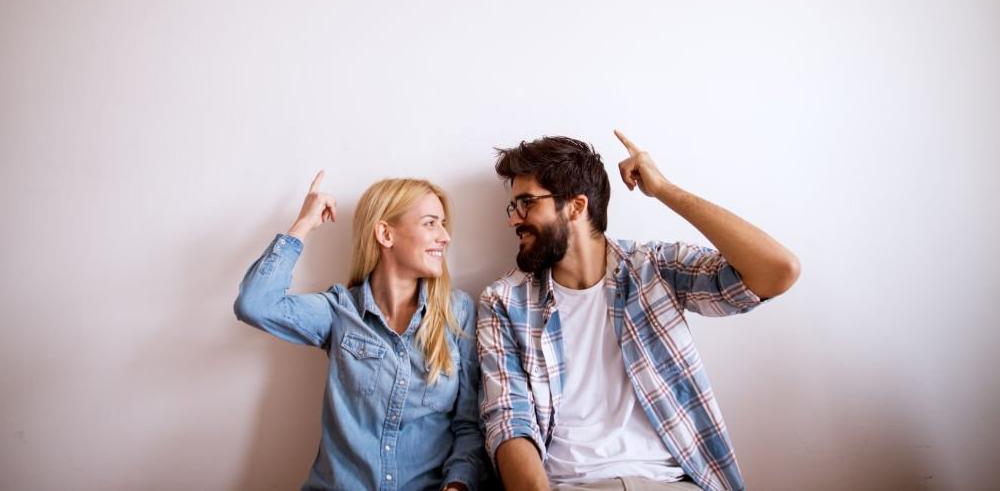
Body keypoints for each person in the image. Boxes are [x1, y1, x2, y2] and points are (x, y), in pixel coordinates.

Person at [477, 132, 801, 491]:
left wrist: (665, 190)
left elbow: (777, 271)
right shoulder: (505, 302)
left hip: (670, 482)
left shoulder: (653, 268)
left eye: (526, 203)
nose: (513, 220)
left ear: (576, 206)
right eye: (513, 206)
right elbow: (509, 420)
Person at [235, 171, 487, 491]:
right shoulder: (339, 310)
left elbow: (469, 426)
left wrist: (457, 485)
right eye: (430, 223)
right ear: (385, 234)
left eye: (443, 223)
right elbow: (255, 304)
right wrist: (304, 224)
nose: (445, 236)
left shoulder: (458, 312)